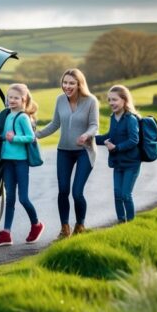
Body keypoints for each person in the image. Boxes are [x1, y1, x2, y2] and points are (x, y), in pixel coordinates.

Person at [36, 68, 99, 238]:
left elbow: (94, 125)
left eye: (72, 83)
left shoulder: (91, 101)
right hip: (64, 150)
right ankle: (64, 227)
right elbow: (55, 123)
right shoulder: (60, 100)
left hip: (85, 151)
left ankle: (80, 224)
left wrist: (86, 134)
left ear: (79, 84)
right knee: (63, 190)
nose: (67, 86)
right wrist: (35, 135)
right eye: (65, 82)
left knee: (77, 192)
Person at [0, 84, 45, 247]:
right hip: (7, 160)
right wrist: (0, 137)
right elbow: (7, 136)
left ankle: (36, 225)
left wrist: (14, 139)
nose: (12, 100)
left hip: (21, 162)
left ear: (23, 100)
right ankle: (6, 233)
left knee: (23, 198)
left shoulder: (22, 117)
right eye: (10, 97)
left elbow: (30, 137)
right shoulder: (6, 115)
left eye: (16, 98)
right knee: (10, 198)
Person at [95, 85, 141, 224]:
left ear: (124, 100)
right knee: (117, 194)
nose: (111, 103)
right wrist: (91, 139)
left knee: (125, 195)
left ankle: (132, 223)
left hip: (131, 164)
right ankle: (121, 222)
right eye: (109, 100)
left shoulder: (131, 119)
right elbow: (110, 136)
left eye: (114, 99)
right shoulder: (113, 117)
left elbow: (134, 140)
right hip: (118, 163)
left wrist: (116, 148)